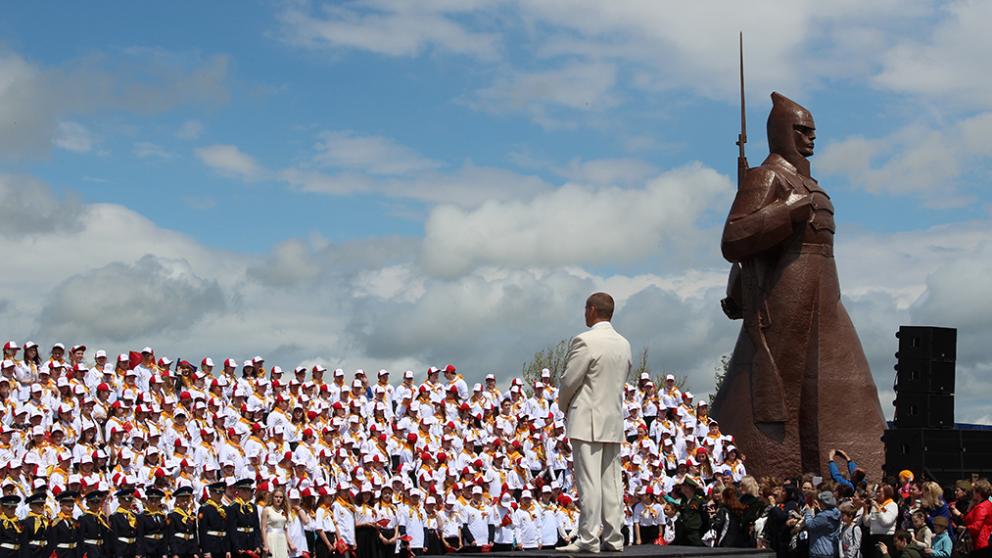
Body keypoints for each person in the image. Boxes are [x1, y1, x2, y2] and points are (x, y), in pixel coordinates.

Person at [556, 292, 632, 554]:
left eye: (585, 309)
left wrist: (563, 405)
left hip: (587, 417)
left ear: (591, 309)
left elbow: (569, 380)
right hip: (612, 418)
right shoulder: (624, 343)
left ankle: (588, 538)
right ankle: (614, 537)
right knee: (612, 482)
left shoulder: (585, 341)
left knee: (589, 482)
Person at [955, 479, 992, 558]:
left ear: (979, 493)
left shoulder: (981, 507)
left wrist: (963, 528)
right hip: (982, 542)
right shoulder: (985, 504)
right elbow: (969, 518)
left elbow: (976, 527)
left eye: (974, 491)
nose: (972, 493)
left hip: (979, 544)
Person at [227, 479, 263, 558]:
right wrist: (237, 547)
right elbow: (232, 529)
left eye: (248, 490)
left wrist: (257, 544)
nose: (246, 492)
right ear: (238, 491)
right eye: (243, 490)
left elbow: (256, 527)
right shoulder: (233, 507)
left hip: (252, 543)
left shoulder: (253, 507)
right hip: (240, 542)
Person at [199, 481, 231, 558]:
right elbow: (202, 531)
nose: (219, 495)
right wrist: (206, 550)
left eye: (221, 492)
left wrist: (228, 549)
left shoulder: (225, 509)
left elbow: (227, 530)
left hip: (223, 546)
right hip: (211, 546)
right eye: (217, 492)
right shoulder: (205, 508)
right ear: (210, 492)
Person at [166, 486, 199, 558]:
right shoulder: (172, 516)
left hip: (190, 549)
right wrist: (174, 553)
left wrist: (196, 551)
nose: (185, 503)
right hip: (179, 549)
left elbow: (194, 534)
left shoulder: (192, 515)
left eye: (187, 500)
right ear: (177, 501)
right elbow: (171, 535)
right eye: (183, 500)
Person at [805, 491, 841, 558]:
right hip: (830, 550)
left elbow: (810, 525)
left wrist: (808, 512)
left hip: (820, 551)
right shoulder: (836, 512)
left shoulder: (823, 516)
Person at [262, 488, 294, 558]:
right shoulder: (267, 510)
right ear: (272, 498)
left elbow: (285, 529)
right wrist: (266, 545)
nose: (278, 499)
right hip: (271, 537)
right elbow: (263, 528)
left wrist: (288, 544)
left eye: (281, 497)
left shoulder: (284, 511)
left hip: (282, 539)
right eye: (276, 497)